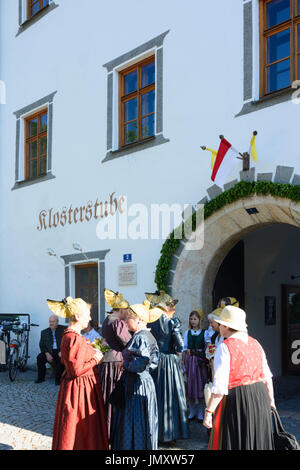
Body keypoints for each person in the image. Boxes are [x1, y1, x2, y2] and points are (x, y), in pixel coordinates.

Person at [203, 305, 275, 450]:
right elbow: (267, 377)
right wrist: (271, 401)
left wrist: (209, 412)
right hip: (260, 396)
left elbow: (220, 387)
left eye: (221, 324)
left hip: (237, 399)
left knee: (237, 440)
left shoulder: (224, 347)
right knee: (257, 440)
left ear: (226, 326)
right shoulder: (256, 343)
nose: (219, 326)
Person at [47, 297, 109, 451]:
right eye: (87, 314)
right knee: (80, 429)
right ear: (77, 316)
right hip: (79, 390)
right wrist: (96, 359)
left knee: (82, 429)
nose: (89, 318)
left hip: (80, 387)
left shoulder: (71, 336)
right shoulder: (73, 338)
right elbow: (76, 370)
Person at [110, 300, 161, 450]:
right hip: (143, 382)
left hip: (137, 385)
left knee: (135, 420)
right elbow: (153, 361)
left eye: (128, 319)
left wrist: (125, 364)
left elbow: (141, 363)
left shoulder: (141, 337)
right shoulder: (147, 335)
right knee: (139, 421)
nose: (125, 322)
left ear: (138, 319)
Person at [146, 290, 189, 445]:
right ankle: (170, 434)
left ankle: (155, 433)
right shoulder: (172, 322)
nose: (174, 310)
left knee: (156, 396)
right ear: (166, 308)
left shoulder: (150, 320)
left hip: (155, 362)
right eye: (172, 307)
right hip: (169, 362)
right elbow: (180, 345)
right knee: (171, 396)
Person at [99, 289, 132, 440]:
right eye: (127, 310)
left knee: (107, 397)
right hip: (115, 363)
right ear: (122, 309)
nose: (128, 313)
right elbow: (128, 342)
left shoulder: (107, 320)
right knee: (114, 398)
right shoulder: (117, 322)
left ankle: (106, 430)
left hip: (107, 362)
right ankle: (114, 432)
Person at [183, 309, 208, 422]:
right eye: (191, 319)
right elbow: (184, 349)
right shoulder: (187, 333)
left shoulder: (205, 333)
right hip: (190, 361)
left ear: (199, 320)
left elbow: (207, 347)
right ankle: (192, 410)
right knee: (191, 385)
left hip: (200, 361)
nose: (193, 321)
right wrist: (184, 363)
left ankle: (200, 411)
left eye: (195, 319)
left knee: (201, 385)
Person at [35, 315, 66, 385]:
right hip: (49, 351)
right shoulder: (44, 332)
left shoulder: (64, 330)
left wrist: (62, 351)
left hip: (60, 351)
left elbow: (67, 341)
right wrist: (46, 353)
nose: (51, 323)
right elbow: (41, 345)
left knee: (61, 360)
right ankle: (41, 378)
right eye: (50, 321)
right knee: (40, 357)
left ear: (57, 322)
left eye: (53, 321)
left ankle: (58, 380)